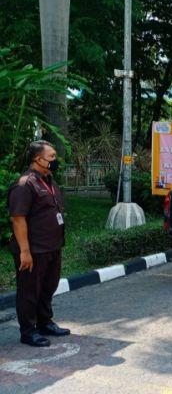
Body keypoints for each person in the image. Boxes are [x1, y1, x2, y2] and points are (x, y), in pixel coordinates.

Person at [8, 140, 71, 347]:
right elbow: (18, 219)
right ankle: (28, 331)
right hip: (33, 249)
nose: (55, 160)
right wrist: (25, 252)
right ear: (38, 159)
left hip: (52, 246)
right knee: (29, 291)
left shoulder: (49, 180)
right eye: (52, 157)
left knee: (48, 287)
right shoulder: (25, 184)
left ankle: (45, 322)